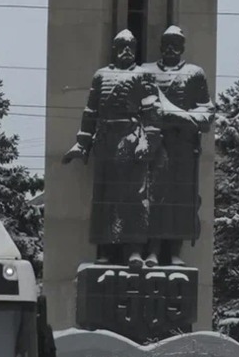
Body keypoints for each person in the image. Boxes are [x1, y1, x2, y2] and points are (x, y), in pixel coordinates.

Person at [63, 29, 163, 269]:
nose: (126, 50)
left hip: (130, 137)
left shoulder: (143, 75)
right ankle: (105, 250)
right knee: (104, 198)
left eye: (130, 46)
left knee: (134, 197)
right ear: (114, 50)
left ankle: (134, 250)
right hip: (106, 139)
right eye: (121, 46)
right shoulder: (101, 76)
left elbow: (153, 112)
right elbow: (90, 111)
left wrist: (147, 141)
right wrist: (82, 143)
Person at [142, 25, 215, 267]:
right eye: (167, 43)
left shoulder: (194, 74)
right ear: (160, 46)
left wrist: (181, 118)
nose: (171, 48)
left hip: (183, 148)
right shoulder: (146, 72)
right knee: (154, 198)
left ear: (183, 48)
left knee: (182, 201)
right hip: (155, 146)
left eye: (176, 44)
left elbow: (206, 112)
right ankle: (151, 249)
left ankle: (174, 251)